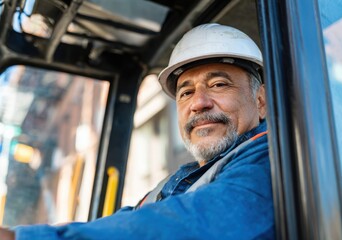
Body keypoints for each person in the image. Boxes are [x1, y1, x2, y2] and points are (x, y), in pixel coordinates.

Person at [0, 23, 274, 239]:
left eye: (218, 85)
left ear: (260, 101)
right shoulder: (182, 179)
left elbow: (199, 225)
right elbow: (131, 220)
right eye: (186, 92)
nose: (198, 104)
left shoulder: (269, 160)